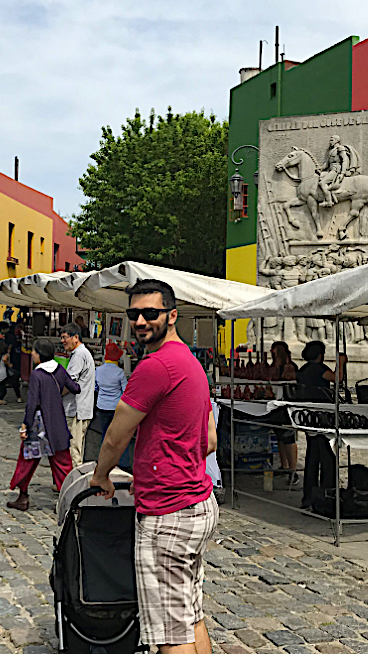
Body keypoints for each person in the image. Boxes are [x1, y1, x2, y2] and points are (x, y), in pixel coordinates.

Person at [89, 279, 218, 654]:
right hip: (198, 503)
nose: (141, 321)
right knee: (190, 615)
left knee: (169, 632)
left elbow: (116, 435)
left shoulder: (156, 365)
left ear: (172, 315)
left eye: (151, 313)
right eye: (134, 314)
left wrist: (100, 476)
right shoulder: (191, 363)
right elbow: (209, 440)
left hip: (168, 511)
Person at [7, 338, 79, 511]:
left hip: (39, 425)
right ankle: (69, 500)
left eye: (34, 351)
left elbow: (31, 404)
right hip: (57, 424)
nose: (32, 354)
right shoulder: (59, 369)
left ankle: (23, 496)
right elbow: (75, 387)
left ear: (39, 354)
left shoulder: (37, 375)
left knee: (27, 461)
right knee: (62, 464)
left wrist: (25, 425)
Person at [297, 340, 347, 510]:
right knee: (326, 457)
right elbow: (337, 378)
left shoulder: (302, 370)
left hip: (308, 416)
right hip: (321, 416)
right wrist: (340, 363)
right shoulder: (319, 370)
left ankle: (309, 495)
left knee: (313, 457)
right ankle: (326, 493)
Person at [61, 323, 95, 466]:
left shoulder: (79, 354)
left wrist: (56, 395)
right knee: (76, 447)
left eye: (65, 337)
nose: (63, 341)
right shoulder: (81, 353)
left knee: (74, 450)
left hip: (76, 409)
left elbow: (69, 383)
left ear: (75, 337)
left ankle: (76, 484)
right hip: (81, 408)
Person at [94, 341, 131, 469]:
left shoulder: (98, 370)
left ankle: (103, 462)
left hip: (102, 407)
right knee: (118, 436)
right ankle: (123, 464)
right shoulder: (120, 373)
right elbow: (125, 391)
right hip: (116, 408)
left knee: (105, 435)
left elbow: (95, 387)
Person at [269, 341, 299, 482]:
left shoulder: (288, 367)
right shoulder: (277, 366)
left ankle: (293, 470)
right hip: (278, 405)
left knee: (288, 437)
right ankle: (285, 465)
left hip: (287, 405)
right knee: (280, 435)